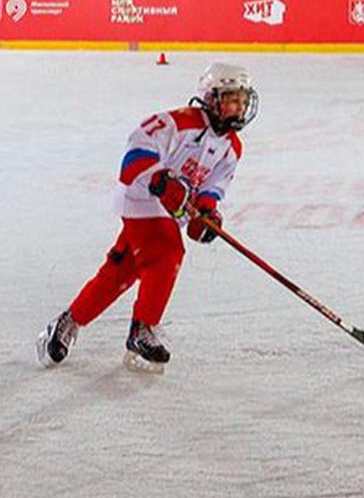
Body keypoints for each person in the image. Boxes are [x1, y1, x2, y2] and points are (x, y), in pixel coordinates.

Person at [37, 64, 257, 371]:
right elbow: (135, 153)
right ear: (212, 98)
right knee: (168, 252)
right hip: (140, 198)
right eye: (233, 99)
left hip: (167, 213)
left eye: (243, 100)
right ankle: (143, 329)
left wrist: (207, 212)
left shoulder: (232, 147)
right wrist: (159, 179)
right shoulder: (180, 123)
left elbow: (213, 188)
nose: (240, 107)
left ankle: (67, 322)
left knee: (120, 272)